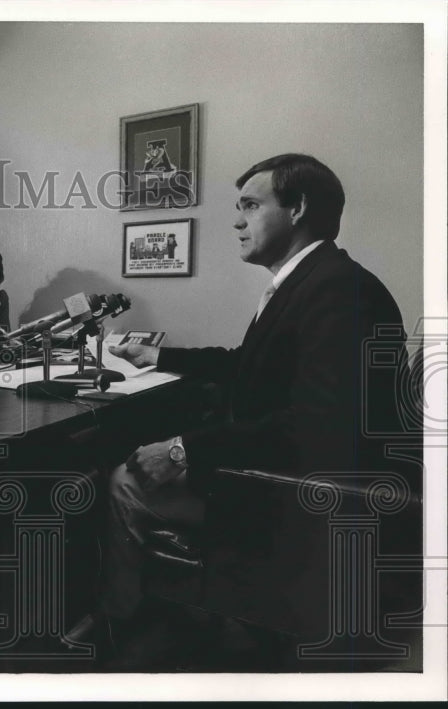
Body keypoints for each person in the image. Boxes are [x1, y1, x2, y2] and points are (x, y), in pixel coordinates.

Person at [87, 153, 407, 666]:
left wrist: (183, 449)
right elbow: (251, 364)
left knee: (124, 479)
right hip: (288, 475)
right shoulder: (315, 280)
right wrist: (159, 355)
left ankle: (120, 626)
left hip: (297, 500)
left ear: (298, 207)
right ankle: (187, 606)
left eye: (251, 206)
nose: (237, 221)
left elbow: (321, 422)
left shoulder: (339, 291)